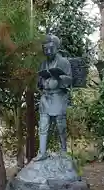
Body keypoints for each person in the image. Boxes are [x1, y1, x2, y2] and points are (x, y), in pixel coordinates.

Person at [33, 34, 73, 162]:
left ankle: (63, 149)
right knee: (43, 125)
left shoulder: (63, 62)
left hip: (58, 97)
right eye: (45, 49)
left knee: (60, 124)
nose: (48, 51)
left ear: (56, 47)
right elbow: (38, 82)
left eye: (51, 48)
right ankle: (42, 152)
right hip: (46, 97)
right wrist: (41, 81)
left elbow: (70, 80)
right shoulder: (43, 64)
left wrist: (59, 78)